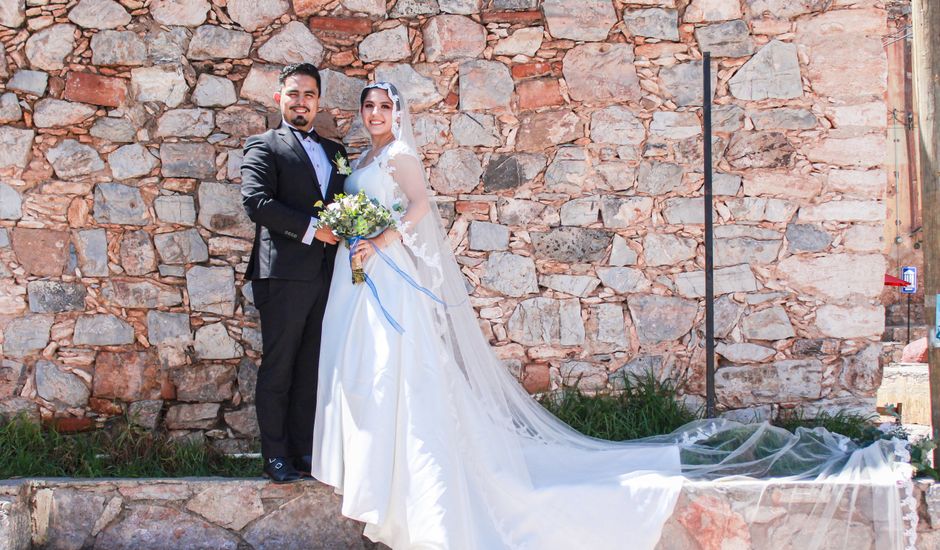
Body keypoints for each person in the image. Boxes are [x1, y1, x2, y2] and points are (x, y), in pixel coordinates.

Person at [311, 83, 909, 549]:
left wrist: (379, 239)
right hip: (367, 277)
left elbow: (418, 207)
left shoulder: (403, 156)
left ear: (397, 110)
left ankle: (414, 495)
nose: (373, 113)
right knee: (374, 376)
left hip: (389, 270)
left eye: (381, 106)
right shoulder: (367, 155)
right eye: (367, 106)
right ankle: (380, 476)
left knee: (403, 377)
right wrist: (351, 229)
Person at [241, 63, 348, 483]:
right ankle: (277, 456)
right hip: (282, 275)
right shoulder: (263, 146)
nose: (301, 101)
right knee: (280, 366)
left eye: (309, 95)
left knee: (312, 368)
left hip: (328, 276)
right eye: (293, 94)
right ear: (279, 99)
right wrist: (312, 230)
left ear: (318, 101)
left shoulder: (335, 151)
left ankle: (305, 453)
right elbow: (256, 202)